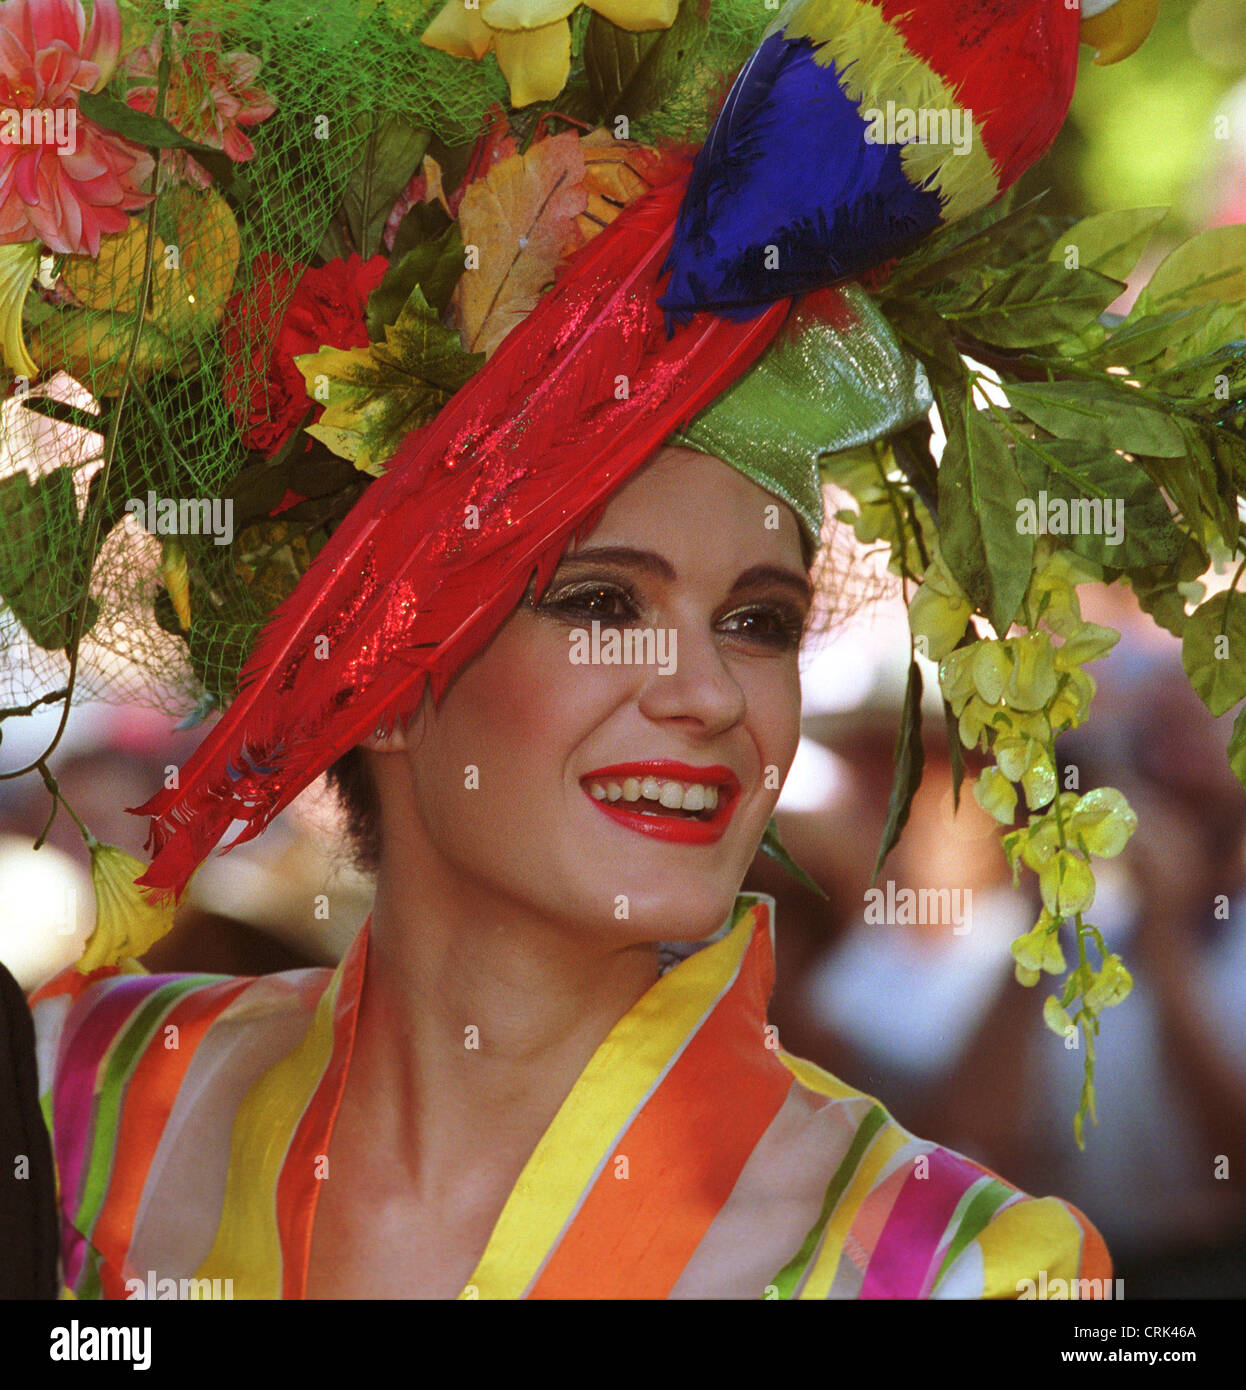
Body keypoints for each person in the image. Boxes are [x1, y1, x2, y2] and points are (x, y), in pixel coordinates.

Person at [8, 0, 1162, 1300]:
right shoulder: (76, 1105)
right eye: (603, 603)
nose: (710, 693)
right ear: (375, 668)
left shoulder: (963, 1271)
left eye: (759, 622)